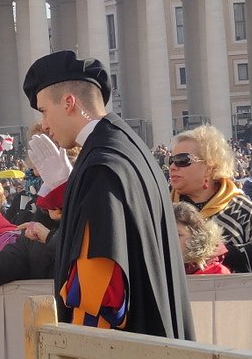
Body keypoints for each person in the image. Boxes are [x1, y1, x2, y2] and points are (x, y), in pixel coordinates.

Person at [22, 51, 193, 338]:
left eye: (44, 111)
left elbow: (96, 288)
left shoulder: (99, 166)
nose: (45, 124)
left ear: (69, 103)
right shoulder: (125, 145)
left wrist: (83, 349)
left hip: (125, 346)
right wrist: (67, 189)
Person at [169, 125, 252, 273]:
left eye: (182, 160)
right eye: (171, 160)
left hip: (228, 287)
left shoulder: (241, 207)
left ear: (209, 167)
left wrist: (219, 251)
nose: (172, 166)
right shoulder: (161, 206)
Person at [173, 202, 231, 275]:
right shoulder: (161, 269)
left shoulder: (217, 272)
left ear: (195, 236)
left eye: (178, 235)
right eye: (163, 235)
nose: (169, 241)